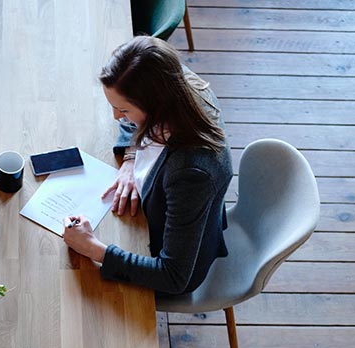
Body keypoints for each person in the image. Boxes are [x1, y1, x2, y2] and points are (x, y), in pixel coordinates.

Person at [62, 36, 233, 295]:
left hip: (170, 261)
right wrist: (131, 158)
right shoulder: (173, 81)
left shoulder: (191, 173)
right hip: (156, 215)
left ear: (155, 106)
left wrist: (93, 248)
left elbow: (174, 276)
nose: (116, 117)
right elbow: (131, 121)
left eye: (124, 110)